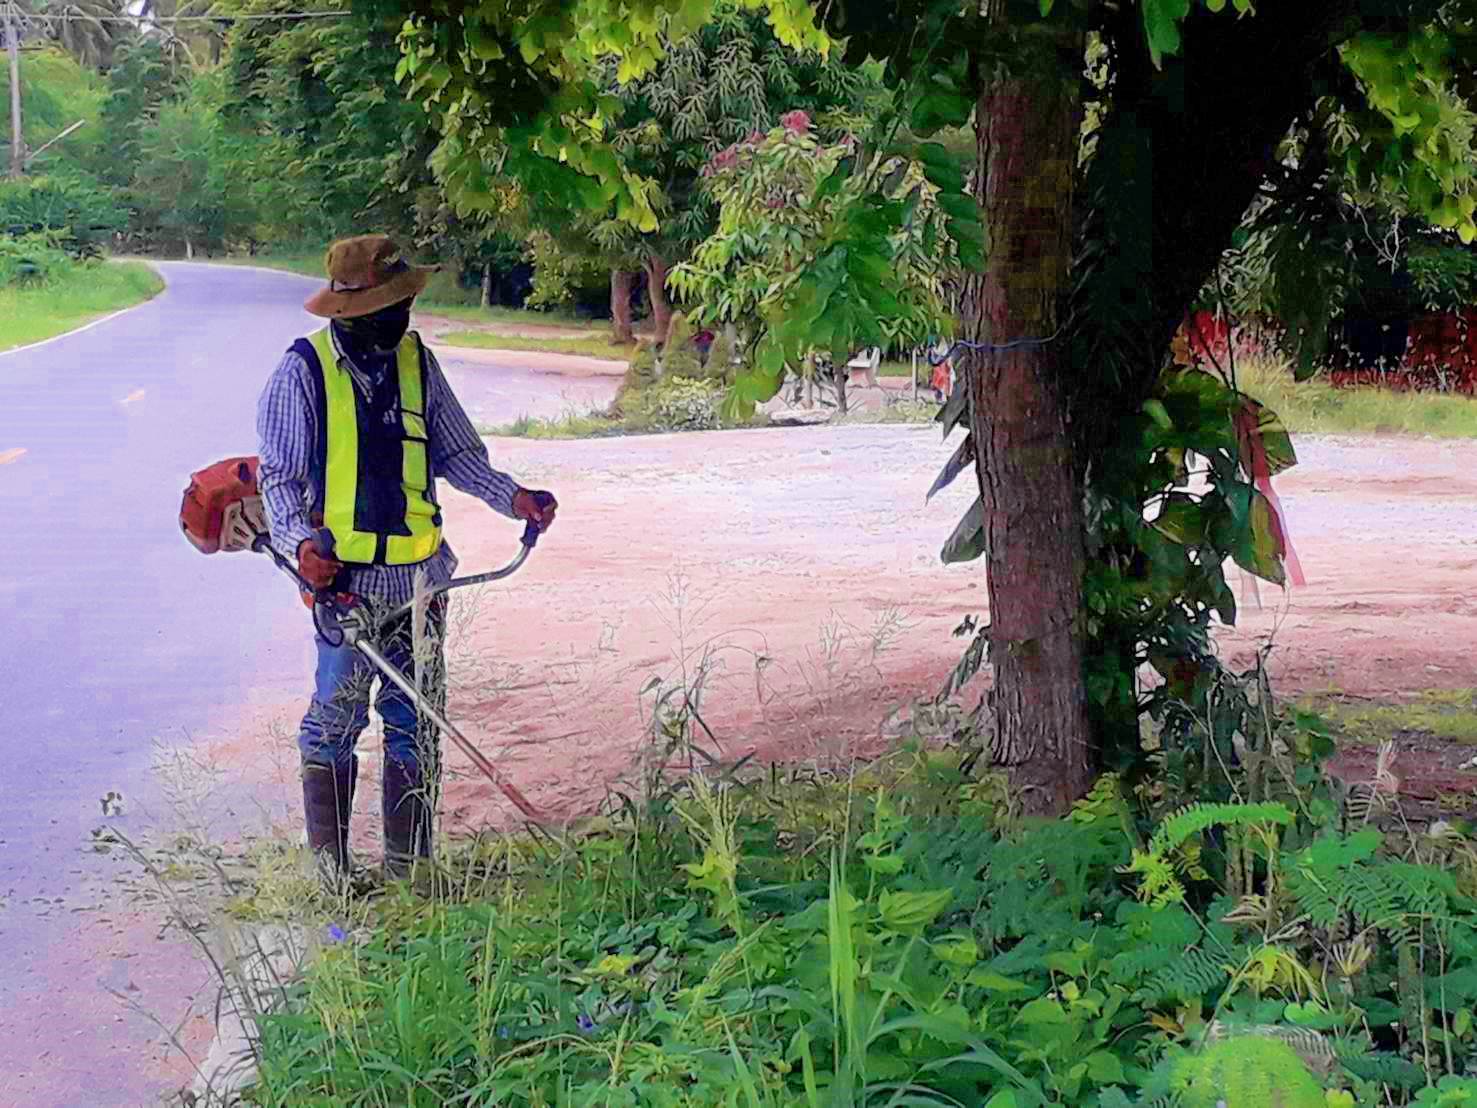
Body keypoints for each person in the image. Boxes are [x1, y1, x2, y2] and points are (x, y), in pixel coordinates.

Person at [255, 234, 557, 886]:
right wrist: (300, 549)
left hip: (422, 579)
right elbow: (277, 481)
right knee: (334, 720)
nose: (400, 318)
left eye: (403, 305)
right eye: (386, 309)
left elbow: (458, 455)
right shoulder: (301, 372)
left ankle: (410, 870)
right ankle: (332, 873)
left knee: (416, 720)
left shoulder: (417, 362)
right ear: (347, 312)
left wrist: (516, 498)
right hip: (348, 586)